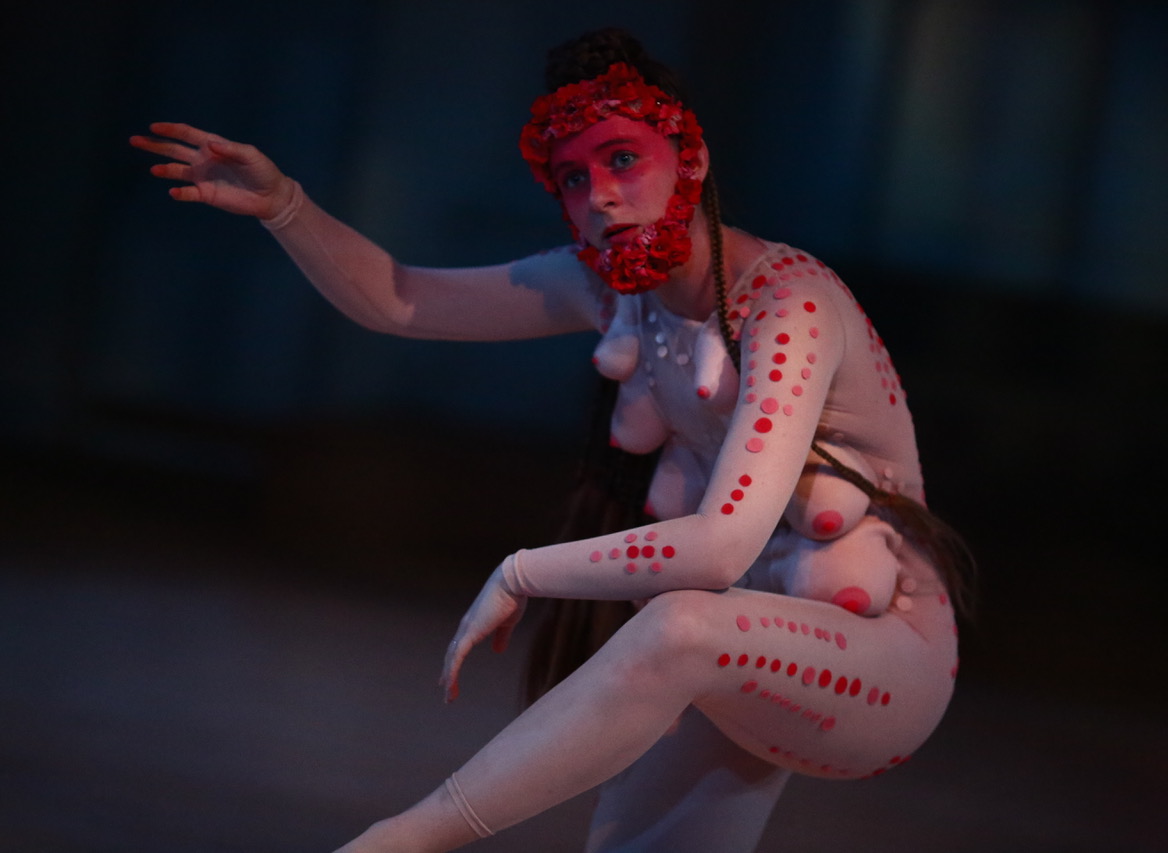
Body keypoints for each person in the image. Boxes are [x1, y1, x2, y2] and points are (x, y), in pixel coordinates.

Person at [132, 28, 972, 853]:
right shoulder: (612, 288)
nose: (599, 195)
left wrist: (521, 571)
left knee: (680, 626)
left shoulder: (790, 306)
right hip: (748, 645)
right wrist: (285, 205)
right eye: (573, 177)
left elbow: (721, 546)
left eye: (622, 159)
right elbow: (400, 299)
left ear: (691, 159)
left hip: (881, 659)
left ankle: (401, 842)